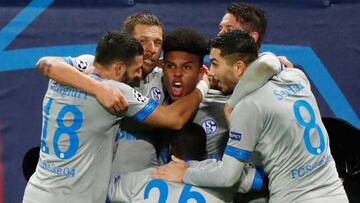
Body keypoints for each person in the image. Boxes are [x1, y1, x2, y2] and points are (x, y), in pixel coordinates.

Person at [153, 29, 349, 203]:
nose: (211, 73)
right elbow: (270, 61)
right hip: (336, 194)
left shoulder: (248, 107)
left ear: (238, 67)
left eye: (215, 63)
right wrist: (234, 101)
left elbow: (227, 176)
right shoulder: (295, 77)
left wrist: (186, 172)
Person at [22, 31, 209, 203]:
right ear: (119, 68)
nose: (139, 75)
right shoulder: (117, 93)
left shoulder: (69, 72)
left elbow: (45, 64)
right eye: (136, 68)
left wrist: (96, 87)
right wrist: (203, 85)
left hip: (36, 193)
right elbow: (173, 118)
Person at [108, 123, 261, 203]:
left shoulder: (140, 179)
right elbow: (261, 181)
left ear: (169, 149)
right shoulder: (222, 175)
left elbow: (100, 194)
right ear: (205, 153)